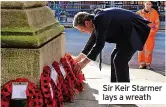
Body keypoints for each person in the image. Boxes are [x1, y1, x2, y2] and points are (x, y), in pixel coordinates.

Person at [73, 7, 150, 82]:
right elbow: (92, 41)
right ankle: (115, 83)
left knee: (119, 60)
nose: (82, 32)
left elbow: (99, 44)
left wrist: (83, 63)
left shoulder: (100, 19)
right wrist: (79, 58)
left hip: (135, 30)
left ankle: (124, 89)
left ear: (86, 23)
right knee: (114, 56)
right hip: (125, 35)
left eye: (82, 30)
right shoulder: (95, 21)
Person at [136, 1, 160, 69]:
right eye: (147, 4)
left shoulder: (154, 12)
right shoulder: (139, 13)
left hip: (150, 34)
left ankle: (148, 63)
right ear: (144, 4)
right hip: (141, 34)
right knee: (141, 49)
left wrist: (154, 31)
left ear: (151, 5)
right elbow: (135, 23)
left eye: (149, 4)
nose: (148, 5)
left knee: (149, 49)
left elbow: (157, 22)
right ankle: (142, 63)